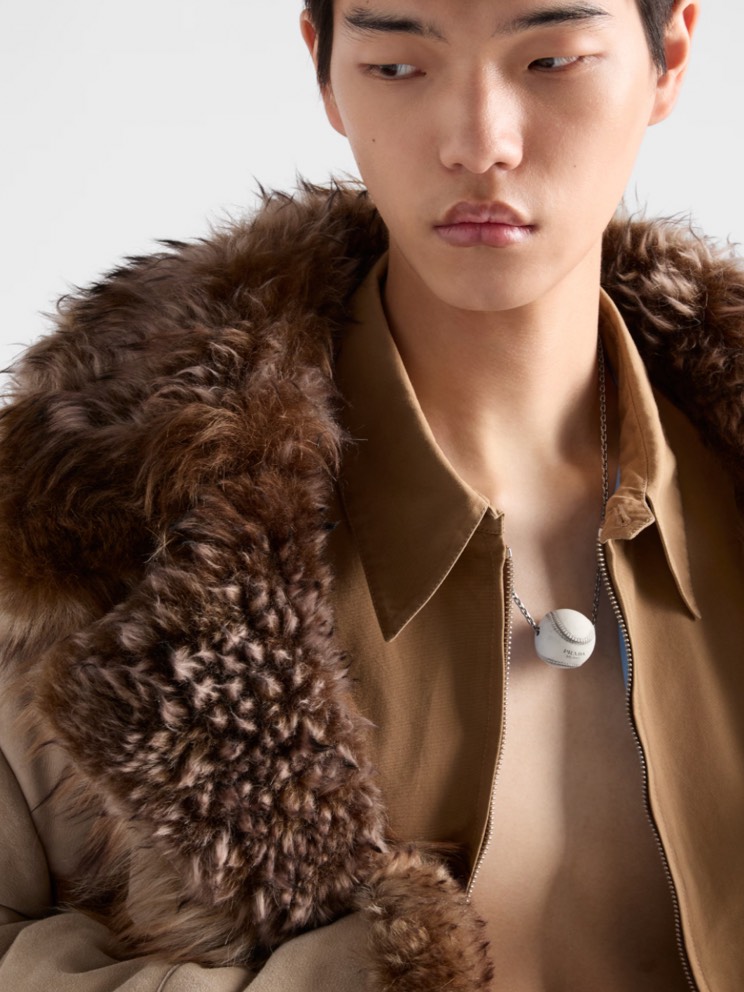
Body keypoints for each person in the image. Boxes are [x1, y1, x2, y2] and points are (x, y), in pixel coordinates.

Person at [0, 0, 742, 989]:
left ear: (670, 54)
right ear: (325, 68)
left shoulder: (729, 485)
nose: (479, 142)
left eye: (553, 60)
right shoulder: (95, 516)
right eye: (398, 66)